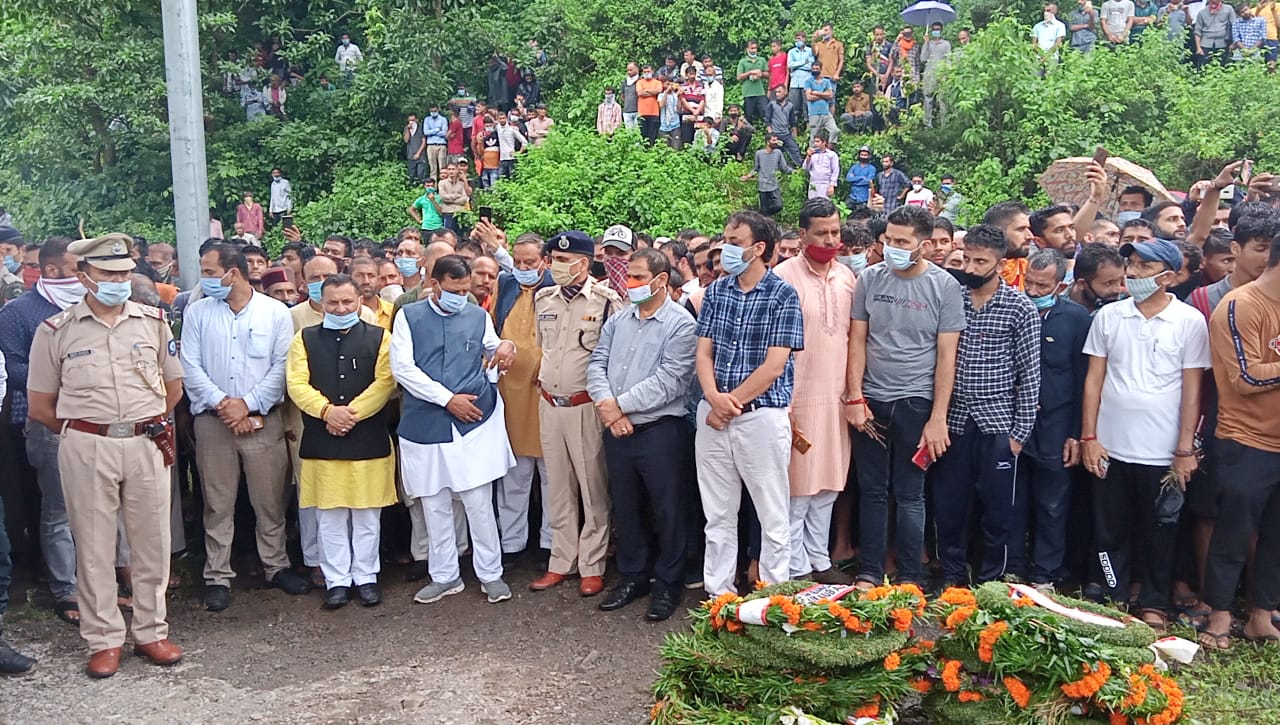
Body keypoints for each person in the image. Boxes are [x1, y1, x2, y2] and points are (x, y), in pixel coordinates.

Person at [26, 233, 184, 678]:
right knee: (93, 545)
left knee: (152, 541)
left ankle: (151, 631)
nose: (119, 280)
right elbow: (41, 405)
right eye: (108, 274)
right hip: (86, 445)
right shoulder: (56, 331)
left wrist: (138, 422)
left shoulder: (153, 321)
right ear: (85, 277)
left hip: (145, 441)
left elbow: (173, 386)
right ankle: (104, 640)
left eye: (124, 272)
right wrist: (88, 431)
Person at [1080, 239, 1209, 631]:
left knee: (1161, 529)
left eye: (1143, 266)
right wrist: (1089, 437)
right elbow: (1094, 381)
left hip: (1162, 451)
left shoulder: (1189, 322)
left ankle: (1153, 602)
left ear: (1167, 276)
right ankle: (1112, 594)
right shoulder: (1109, 316)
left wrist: (1184, 448)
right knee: (1109, 527)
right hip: (1111, 445)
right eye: (1131, 263)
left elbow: (1192, 392)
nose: (1132, 272)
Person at [180, 243, 312, 612]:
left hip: (262, 422)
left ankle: (276, 566)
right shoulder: (197, 313)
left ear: (232, 273)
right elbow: (190, 367)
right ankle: (218, 575)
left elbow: (282, 368)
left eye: (209, 272)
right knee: (216, 503)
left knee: (269, 502)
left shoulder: (274, 313)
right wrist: (226, 405)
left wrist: (248, 404)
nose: (204, 279)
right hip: (214, 423)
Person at [846, 205, 965, 588]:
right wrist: (854, 395)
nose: (892, 247)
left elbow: (947, 356)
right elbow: (858, 340)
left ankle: (910, 577)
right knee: (873, 490)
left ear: (925, 245)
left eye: (902, 242)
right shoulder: (869, 278)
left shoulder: (944, 286)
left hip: (916, 401)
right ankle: (870, 569)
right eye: (888, 240)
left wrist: (938, 417)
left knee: (911, 493)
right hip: (871, 399)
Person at [392, 255, 518, 606]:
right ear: (434, 284)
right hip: (425, 422)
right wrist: (447, 399)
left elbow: (494, 346)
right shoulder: (409, 316)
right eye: (454, 290)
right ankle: (444, 576)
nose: (462, 296)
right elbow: (403, 369)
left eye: (465, 291)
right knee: (434, 503)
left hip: (473, 420)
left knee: (478, 502)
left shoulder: (477, 315)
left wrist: (509, 347)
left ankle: (491, 574)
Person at [695, 210, 805, 595]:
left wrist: (730, 404)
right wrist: (712, 398)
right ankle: (717, 595)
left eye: (735, 242)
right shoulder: (717, 291)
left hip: (760, 417)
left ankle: (775, 600)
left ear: (759, 248)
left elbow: (775, 365)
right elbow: (703, 351)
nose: (725, 248)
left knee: (772, 513)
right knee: (718, 513)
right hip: (712, 415)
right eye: (725, 239)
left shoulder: (783, 295)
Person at [587, 248, 697, 620]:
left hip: (660, 431)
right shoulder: (619, 320)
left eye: (636, 277)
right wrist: (607, 406)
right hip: (616, 427)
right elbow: (597, 363)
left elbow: (670, 381)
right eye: (628, 276)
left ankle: (668, 583)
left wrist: (617, 406)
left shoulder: (681, 325)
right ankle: (633, 576)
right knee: (626, 505)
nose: (629, 283)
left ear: (661, 279)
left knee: (668, 509)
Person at [933, 224, 1042, 587]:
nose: (973, 268)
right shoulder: (952, 298)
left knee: (997, 513)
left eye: (982, 261)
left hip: (998, 423)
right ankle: (951, 578)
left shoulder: (1019, 307)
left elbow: (1030, 374)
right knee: (950, 505)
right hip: (954, 419)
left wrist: (1019, 435)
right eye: (968, 259)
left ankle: (991, 582)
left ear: (999, 264)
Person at [286, 274, 397, 609]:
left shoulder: (381, 338)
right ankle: (337, 581)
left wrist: (349, 414)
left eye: (347, 302)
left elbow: (385, 382)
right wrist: (326, 412)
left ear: (359, 301)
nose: (340, 308)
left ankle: (366, 577)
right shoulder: (303, 339)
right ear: (321, 303)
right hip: (322, 438)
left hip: (368, 438)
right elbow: (296, 384)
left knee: (366, 516)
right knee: (329, 517)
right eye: (333, 302)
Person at [529, 231, 624, 597]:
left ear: (583, 264)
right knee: (558, 487)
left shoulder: (605, 301)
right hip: (550, 404)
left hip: (585, 405)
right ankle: (560, 561)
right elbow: (544, 349)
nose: (555, 266)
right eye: (552, 258)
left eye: (563, 261)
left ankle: (592, 564)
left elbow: (614, 357)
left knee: (592, 487)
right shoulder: (544, 298)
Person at [1201, 227, 1280, 648]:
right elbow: (1246, 376)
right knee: (1233, 532)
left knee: (1277, 536)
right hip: (1246, 438)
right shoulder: (1241, 306)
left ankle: (1261, 616)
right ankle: (1218, 615)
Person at [0, 237, 83, 625]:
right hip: (48, 421)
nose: (82, 276)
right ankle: (66, 589)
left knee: (98, 507)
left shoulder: (89, 307)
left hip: (96, 421)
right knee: (58, 511)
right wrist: (65, 380)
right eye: (73, 268)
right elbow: (14, 369)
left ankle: (98, 582)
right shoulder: (19, 312)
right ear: (51, 270)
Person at [773, 199, 855, 584]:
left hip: (837, 400)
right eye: (821, 232)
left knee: (828, 487)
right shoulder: (782, 277)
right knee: (797, 491)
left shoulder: (847, 277)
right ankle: (794, 567)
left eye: (835, 232)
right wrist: (781, 401)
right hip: (796, 399)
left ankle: (819, 560)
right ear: (802, 234)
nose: (830, 239)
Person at [493, 233, 555, 561]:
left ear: (545, 261)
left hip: (547, 394)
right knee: (514, 475)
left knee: (551, 476)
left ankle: (550, 544)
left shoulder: (557, 289)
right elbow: (493, 331)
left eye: (529, 263)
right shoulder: (505, 286)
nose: (522, 268)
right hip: (510, 394)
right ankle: (512, 544)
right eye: (517, 262)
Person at [985, 201, 1035, 290]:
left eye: (1029, 229)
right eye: (1020, 229)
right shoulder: (975, 270)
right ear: (998, 231)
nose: (1030, 236)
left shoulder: (1030, 271)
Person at [740, 134, 792, 217]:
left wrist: (795, 172)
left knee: (778, 205)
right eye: (773, 140)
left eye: (776, 140)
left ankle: (761, 215)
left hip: (774, 184)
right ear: (768, 142)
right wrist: (748, 176)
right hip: (763, 185)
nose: (776, 142)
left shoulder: (778, 153)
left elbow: (784, 167)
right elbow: (756, 168)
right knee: (764, 209)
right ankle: (763, 218)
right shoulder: (759, 154)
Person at [1066, 242, 1126, 313]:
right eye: (1108, 283)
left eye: (1120, 281)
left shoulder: (1126, 302)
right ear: (1082, 284)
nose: (1117, 290)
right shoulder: (1054, 305)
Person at [919, 22, 951, 126]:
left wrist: (946, 75)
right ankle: (927, 124)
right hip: (929, 75)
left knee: (943, 101)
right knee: (928, 99)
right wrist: (926, 43)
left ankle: (944, 125)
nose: (936, 31)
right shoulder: (929, 43)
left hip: (942, 75)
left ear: (941, 30)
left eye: (938, 29)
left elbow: (949, 60)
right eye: (934, 29)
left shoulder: (946, 44)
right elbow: (923, 59)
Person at [765, 84, 803, 166]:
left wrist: (795, 136)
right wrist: (771, 134)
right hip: (775, 134)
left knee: (795, 149)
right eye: (776, 92)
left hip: (786, 134)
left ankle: (800, 168)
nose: (777, 94)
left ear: (785, 92)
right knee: (775, 152)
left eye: (779, 92)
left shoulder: (790, 106)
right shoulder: (772, 104)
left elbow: (793, 122)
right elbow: (767, 120)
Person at [802, 61, 838, 146]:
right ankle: (812, 154)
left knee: (835, 130)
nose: (815, 70)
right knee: (814, 136)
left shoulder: (826, 81)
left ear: (821, 69)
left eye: (817, 69)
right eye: (813, 68)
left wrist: (816, 93)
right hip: (814, 113)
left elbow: (830, 95)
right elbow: (809, 97)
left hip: (826, 113)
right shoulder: (808, 81)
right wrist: (824, 94)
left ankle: (828, 150)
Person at [1193, 0, 1237, 66]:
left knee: (1222, 65)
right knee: (1203, 66)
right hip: (1206, 43)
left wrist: (1234, 43)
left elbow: (1234, 26)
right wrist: (1198, 48)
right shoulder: (1202, 12)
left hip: (1223, 43)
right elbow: (1197, 31)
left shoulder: (1228, 9)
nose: (1213, 1)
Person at [736, 40, 770, 124]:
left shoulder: (761, 60)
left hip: (760, 92)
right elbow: (739, 77)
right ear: (747, 49)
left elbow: (768, 74)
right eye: (752, 48)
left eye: (755, 48)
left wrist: (760, 74)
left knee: (765, 114)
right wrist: (750, 73)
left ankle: (768, 133)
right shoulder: (743, 61)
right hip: (748, 93)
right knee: (749, 116)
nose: (754, 50)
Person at [787, 32, 815, 127]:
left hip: (806, 83)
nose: (798, 41)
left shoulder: (810, 51)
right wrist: (803, 62)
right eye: (796, 39)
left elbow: (811, 66)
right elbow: (790, 65)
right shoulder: (791, 52)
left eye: (800, 38)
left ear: (804, 39)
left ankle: (808, 129)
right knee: (793, 108)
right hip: (794, 83)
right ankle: (794, 130)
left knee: (807, 107)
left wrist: (797, 65)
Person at [802, 130, 839, 199]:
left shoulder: (832, 155)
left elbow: (835, 171)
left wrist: (832, 185)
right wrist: (808, 156)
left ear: (824, 142)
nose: (815, 144)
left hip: (826, 184)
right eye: (815, 141)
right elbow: (805, 168)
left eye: (817, 141)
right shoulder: (812, 154)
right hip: (813, 183)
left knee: (824, 205)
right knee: (813, 205)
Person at [636, 64, 664, 145]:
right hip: (642, 113)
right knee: (643, 135)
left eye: (648, 71)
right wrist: (652, 92)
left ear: (652, 71)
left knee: (653, 136)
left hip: (654, 112)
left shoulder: (658, 82)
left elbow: (659, 90)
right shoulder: (639, 82)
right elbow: (640, 93)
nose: (646, 73)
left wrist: (646, 90)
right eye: (645, 72)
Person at [421, 105, 449, 184]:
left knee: (442, 168)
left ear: (438, 110)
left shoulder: (443, 119)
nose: (433, 113)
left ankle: (443, 186)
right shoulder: (427, 119)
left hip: (441, 145)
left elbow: (444, 133)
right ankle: (433, 188)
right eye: (431, 111)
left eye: (435, 111)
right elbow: (426, 132)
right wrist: (437, 129)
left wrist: (432, 132)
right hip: (430, 145)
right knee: (432, 168)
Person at [404, 114, 427, 184]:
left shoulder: (421, 128)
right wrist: (408, 129)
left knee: (421, 175)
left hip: (421, 156)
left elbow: (424, 141)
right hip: (410, 155)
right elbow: (406, 140)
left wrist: (418, 153)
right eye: (410, 120)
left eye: (413, 120)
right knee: (411, 175)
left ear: (417, 120)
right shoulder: (406, 128)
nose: (411, 122)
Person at [621, 63, 640, 130]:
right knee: (629, 133)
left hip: (638, 111)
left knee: (637, 132)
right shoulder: (625, 82)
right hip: (627, 112)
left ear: (637, 70)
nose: (629, 72)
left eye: (631, 70)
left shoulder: (640, 80)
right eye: (628, 70)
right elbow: (622, 95)